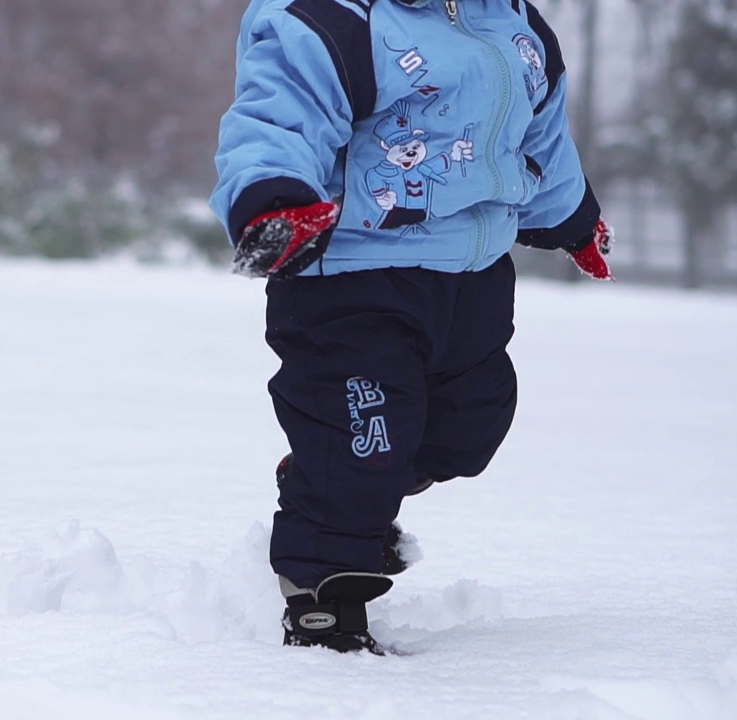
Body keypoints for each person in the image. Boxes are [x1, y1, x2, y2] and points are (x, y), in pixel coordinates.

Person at [210, 0, 614, 654]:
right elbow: (277, 117)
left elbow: (540, 137)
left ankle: (348, 480)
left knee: (471, 422)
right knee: (364, 438)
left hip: (473, 274)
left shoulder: (515, 25)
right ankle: (322, 595)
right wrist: (274, 200)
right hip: (351, 277)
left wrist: (572, 217)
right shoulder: (333, 18)